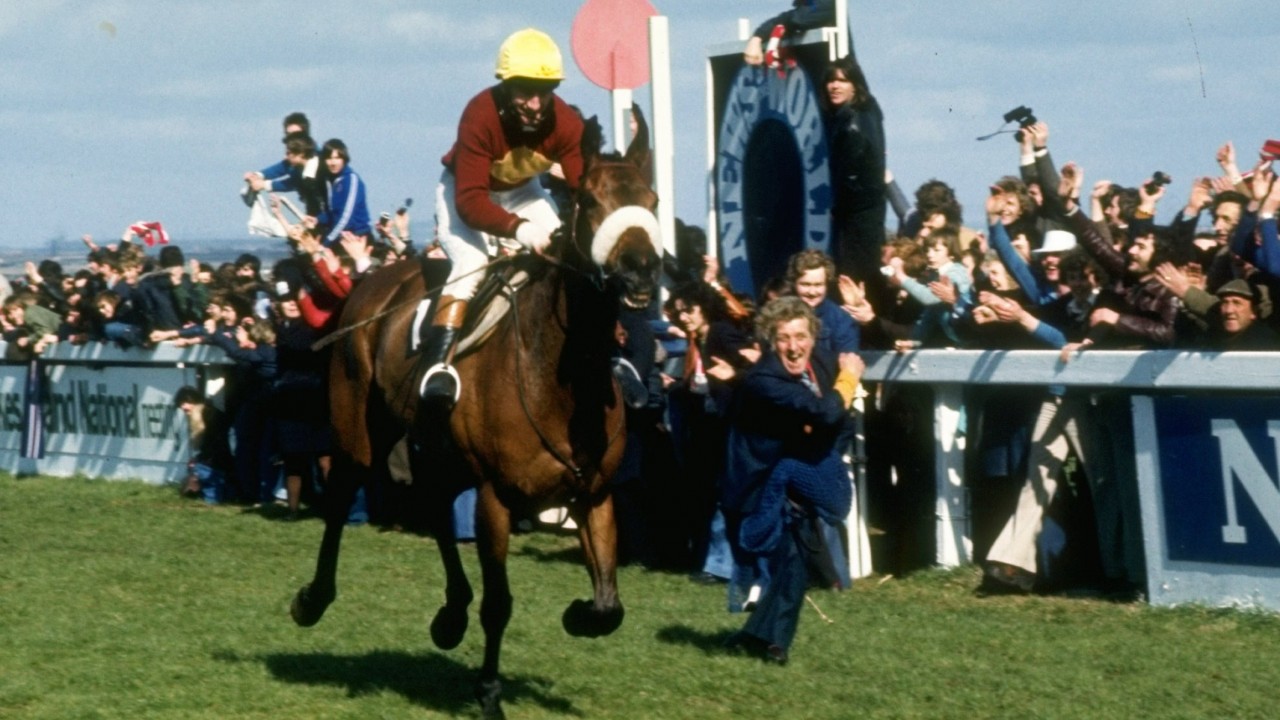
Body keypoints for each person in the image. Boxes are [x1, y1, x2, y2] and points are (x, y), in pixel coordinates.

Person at [421, 27, 585, 405]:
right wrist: (520, 230)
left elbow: (582, 187)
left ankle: (607, 350)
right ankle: (437, 365)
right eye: (525, 90)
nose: (535, 103)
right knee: (472, 261)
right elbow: (471, 202)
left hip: (523, 191)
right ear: (506, 86)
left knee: (568, 254)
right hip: (463, 192)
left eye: (545, 91)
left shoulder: (567, 123)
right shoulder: (479, 113)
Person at [722, 296, 863, 664]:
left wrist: (823, 458)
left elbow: (840, 419)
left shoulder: (822, 363)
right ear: (771, 342)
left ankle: (769, 641)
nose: (793, 346)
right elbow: (823, 410)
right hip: (757, 482)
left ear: (813, 337)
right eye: (783, 338)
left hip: (795, 474)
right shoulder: (764, 379)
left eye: (801, 336)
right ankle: (765, 639)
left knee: (796, 562)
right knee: (789, 562)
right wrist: (849, 379)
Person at [822, 56, 888, 313]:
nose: (834, 86)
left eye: (842, 80)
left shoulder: (851, 121)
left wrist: (839, 207)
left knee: (853, 280)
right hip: (867, 213)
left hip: (856, 216)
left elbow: (853, 173)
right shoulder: (868, 110)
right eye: (831, 80)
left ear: (855, 85)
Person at [307, 138, 371, 247]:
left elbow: (345, 218)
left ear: (344, 159)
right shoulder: (330, 180)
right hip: (340, 236)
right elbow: (333, 213)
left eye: (337, 158)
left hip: (357, 238)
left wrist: (326, 243)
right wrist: (318, 219)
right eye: (329, 158)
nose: (333, 163)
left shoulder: (351, 179)